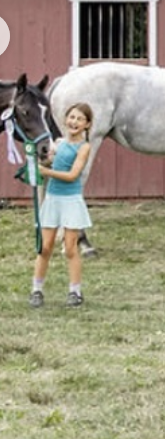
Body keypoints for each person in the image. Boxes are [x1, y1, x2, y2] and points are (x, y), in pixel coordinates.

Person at [30, 102, 94, 308]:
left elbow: (72, 175)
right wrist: (40, 162)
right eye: (72, 117)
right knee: (45, 247)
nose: (74, 122)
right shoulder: (58, 143)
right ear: (66, 119)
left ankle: (75, 291)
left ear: (87, 125)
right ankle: (37, 289)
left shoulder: (84, 147)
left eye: (80, 119)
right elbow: (49, 162)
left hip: (71, 201)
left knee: (70, 248)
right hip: (53, 200)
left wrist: (46, 172)